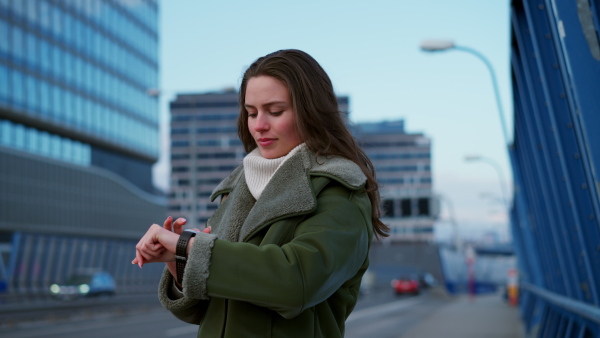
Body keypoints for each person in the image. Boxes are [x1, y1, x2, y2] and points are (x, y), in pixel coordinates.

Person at [133, 49, 389, 337]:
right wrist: (178, 260)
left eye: (275, 111)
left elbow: (295, 284)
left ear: (311, 112)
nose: (258, 125)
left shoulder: (340, 190)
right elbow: (208, 310)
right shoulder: (236, 189)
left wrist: (193, 247)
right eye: (251, 112)